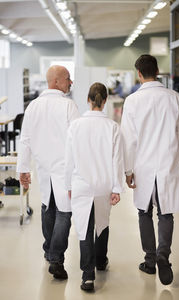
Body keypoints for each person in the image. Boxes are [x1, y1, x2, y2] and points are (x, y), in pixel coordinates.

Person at [121, 54, 179, 285]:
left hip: (143, 165)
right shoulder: (174, 97)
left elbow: (128, 140)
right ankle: (163, 255)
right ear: (157, 70)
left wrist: (128, 170)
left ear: (139, 73)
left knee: (144, 212)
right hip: (167, 163)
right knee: (166, 213)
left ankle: (150, 261)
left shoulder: (132, 101)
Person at [16, 65, 80, 280]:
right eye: (67, 79)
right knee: (64, 212)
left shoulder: (33, 106)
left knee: (48, 207)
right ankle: (56, 258)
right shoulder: (69, 106)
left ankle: (48, 250)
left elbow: (24, 140)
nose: (70, 82)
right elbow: (77, 141)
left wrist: (23, 169)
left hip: (43, 168)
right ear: (56, 81)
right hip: (64, 169)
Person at [65, 82, 124, 291]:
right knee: (102, 222)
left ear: (88, 100)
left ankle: (87, 276)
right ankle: (101, 260)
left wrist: (68, 184)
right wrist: (117, 188)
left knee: (84, 228)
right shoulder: (113, 127)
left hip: (81, 183)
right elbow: (117, 160)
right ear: (105, 101)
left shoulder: (75, 125)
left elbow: (69, 159)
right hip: (103, 184)